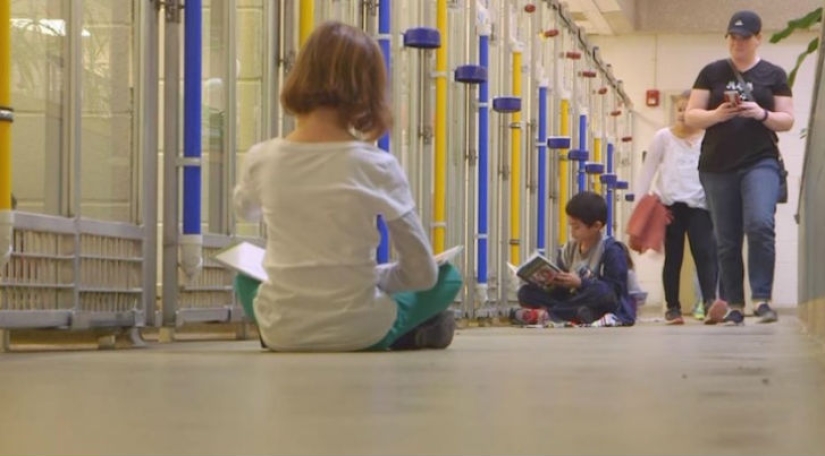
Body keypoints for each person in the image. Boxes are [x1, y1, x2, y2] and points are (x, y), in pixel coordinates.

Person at [232, 21, 463, 352]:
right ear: (369, 92)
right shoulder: (378, 165)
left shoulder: (261, 158)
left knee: (244, 275)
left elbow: (246, 208)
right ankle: (405, 332)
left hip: (282, 331)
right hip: (360, 329)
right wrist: (379, 278)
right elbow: (423, 273)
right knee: (448, 276)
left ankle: (292, 329)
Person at [685, 10, 794, 325]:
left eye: (745, 37)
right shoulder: (712, 72)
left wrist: (760, 113)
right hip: (717, 165)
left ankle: (761, 299)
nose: (738, 43)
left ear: (759, 38)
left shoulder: (773, 74)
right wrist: (717, 114)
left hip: (760, 160)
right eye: (733, 37)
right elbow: (691, 115)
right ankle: (734, 303)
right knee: (726, 237)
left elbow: (787, 119)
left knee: (760, 224)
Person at [634, 91, 719, 325]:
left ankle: (710, 301)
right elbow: (647, 171)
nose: (683, 114)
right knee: (673, 257)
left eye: (688, 109)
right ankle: (673, 307)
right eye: (680, 109)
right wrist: (639, 207)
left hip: (700, 205)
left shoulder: (708, 137)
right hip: (669, 206)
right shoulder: (663, 137)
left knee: (705, 254)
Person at [517, 191, 636, 326]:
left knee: (601, 294)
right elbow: (561, 288)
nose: (572, 232)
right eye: (571, 226)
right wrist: (552, 281)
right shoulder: (568, 250)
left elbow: (613, 294)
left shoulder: (611, 251)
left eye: (577, 227)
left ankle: (552, 314)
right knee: (526, 293)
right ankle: (572, 314)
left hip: (598, 301)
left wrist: (581, 283)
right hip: (573, 300)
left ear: (596, 226)